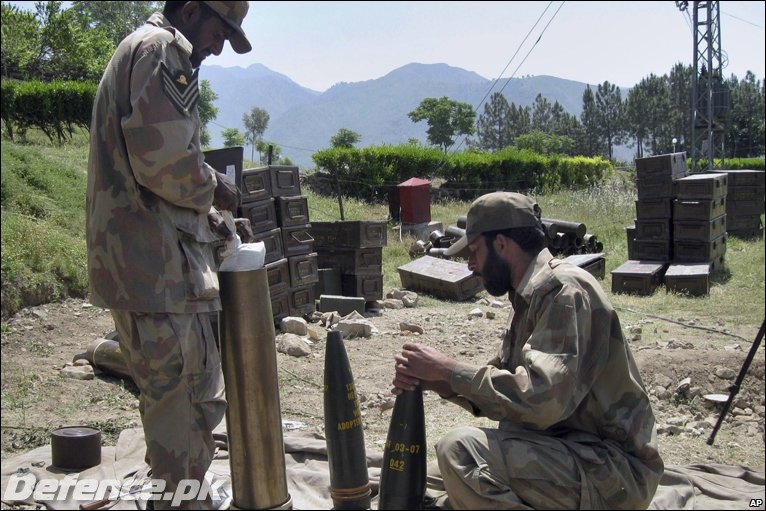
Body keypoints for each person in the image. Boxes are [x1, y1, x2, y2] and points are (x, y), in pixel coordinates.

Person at [392, 191, 664, 509]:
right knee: (424, 476)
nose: (470, 265)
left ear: (502, 244)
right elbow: (509, 382)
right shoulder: (529, 296)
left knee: (459, 453)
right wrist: (442, 383)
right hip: (567, 451)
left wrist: (450, 371)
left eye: (475, 251)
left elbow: (540, 401)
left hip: (612, 473)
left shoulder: (564, 290)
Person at [86, 2, 253, 508]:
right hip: (160, 275)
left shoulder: (141, 50)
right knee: (182, 414)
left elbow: (154, 181)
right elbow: (167, 164)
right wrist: (216, 187)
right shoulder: (164, 49)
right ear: (188, 8)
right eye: (219, 29)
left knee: (177, 410)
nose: (219, 45)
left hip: (146, 268)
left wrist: (217, 223)